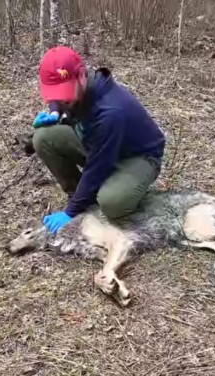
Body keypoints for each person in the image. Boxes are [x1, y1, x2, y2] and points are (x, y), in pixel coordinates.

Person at [30, 46, 166, 235]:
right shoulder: (76, 92)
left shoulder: (110, 111)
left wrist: (71, 212)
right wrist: (55, 112)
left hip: (138, 156)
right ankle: (81, 195)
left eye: (66, 95)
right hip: (100, 143)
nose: (62, 100)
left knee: (112, 203)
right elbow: (59, 99)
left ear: (82, 76)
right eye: (56, 94)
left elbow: (99, 164)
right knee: (44, 138)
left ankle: (92, 197)